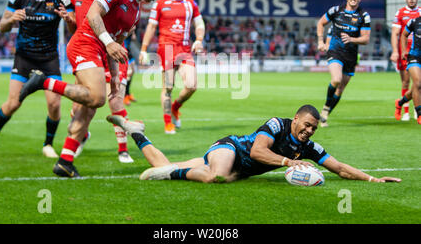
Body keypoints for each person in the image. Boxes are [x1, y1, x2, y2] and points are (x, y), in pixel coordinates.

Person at [18, 0, 164, 177]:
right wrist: (108, 42)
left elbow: (118, 44)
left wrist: (115, 76)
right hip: (84, 44)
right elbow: (94, 13)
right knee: (96, 98)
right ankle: (42, 82)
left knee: (88, 110)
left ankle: (65, 162)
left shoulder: (135, 11)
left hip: (99, 52)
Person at [107, 105, 401, 184]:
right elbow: (259, 151)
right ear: (295, 119)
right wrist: (288, 162)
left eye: (313, 128)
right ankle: (172, 174)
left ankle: (136, 132)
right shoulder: (277, 124)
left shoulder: (308, 147)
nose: (309, 131)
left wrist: (372, 178)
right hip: (230, 149)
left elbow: (339, 167)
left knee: (161, 163)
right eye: (306, 125)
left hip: (241, 169)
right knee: (218, 176)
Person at [0, 0, 73, 158]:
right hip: (24, 57)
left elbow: (74, 24)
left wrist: (68, 18)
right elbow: (2, 26)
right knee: (13, 103)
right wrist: (11, 19)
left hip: (49, 58)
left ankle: (48, 144)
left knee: (55, 104)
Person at [56, 0, 134, 163]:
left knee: (115, 101)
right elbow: (77, 30)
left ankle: (123, 150)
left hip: (111, 55)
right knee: (78, 108)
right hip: (89, 53)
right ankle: (80, 137)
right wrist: (69, 21)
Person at [140, 0, 205, 134]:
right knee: (168, 87)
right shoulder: (160, 4)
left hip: (184, 50)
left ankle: (175, 107)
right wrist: (143, 49)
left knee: (191, 85)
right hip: (166, 49)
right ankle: (168, 122)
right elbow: (151, 27)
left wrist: (199, 39)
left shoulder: (191, 4)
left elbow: (199, 23)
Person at [317, 0, 371, 127]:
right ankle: (325, 111)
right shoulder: (336, 11)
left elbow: (366, 39)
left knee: (340, 89)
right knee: (336, 79)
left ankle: (325, 112)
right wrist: (320, 41)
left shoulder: (364, 15)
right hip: (335, 51)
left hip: (351, 56)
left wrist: (352, 39)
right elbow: (321, 23)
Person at [390, 0, 420, 121]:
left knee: (418, 83)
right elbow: (396, 33)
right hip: (407, 52)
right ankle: (407, 112)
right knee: (407, 81)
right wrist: (396, 51)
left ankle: (408, 105)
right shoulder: (401, 13)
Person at [397, 16, 421, 124]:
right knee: (418, 83)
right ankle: (419, 114)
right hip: (414, 56)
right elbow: (404, 35)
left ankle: (400, 102)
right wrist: (403, 50)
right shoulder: (414, 21)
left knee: (416, 88)